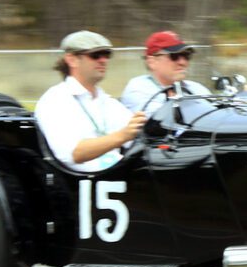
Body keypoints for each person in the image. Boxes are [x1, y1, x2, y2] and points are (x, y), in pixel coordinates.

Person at [35, 31, 145, 172]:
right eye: (95, 55)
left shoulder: (107, 101)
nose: (103, 60)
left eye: (106, 55)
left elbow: (138, 138)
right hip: (83, 184)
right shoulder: (55, 100)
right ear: (72, 59)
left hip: (118, 175)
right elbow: (72, 154)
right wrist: (123, 136)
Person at [119, 30, 211, 113]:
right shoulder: (139, 89)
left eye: (186, 55)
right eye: (174, 56)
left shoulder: (196, 88)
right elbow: (161, 123)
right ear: (152, 62)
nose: (183, 62)